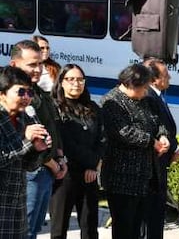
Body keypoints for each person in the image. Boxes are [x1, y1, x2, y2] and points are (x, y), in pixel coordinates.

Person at [100, 63, 170, 239]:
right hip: (121, 178)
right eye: (144, 87)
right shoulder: (112, 101)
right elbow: (124, 132)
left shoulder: (146, 100)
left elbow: (158, 121)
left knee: (138, 227)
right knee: (124, 228)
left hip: (144, 177)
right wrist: (151, 142)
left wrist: (162, 136)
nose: (147, 91)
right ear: (131, 84)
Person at [11, 39, 66, 239]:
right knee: (22, 231)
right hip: (29, 172)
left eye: (40, 63)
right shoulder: (13, 96)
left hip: (47, 171)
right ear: (14, 65)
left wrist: (60, 158)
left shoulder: (39, 92)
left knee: (34, 230)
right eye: (32, 64)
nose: (37, 69)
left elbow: (53, 126)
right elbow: (27, 139)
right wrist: (53, 165)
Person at [49, 64, 104, 239]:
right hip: (64, 175)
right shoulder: (54, 107)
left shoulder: (93, 107)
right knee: (59, 229)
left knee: (90, 227)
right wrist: (92, 161)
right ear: (61, 82)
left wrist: (94, 166)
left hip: (89, 175)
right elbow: (66, 142)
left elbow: (103, 139)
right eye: (70, 79)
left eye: (80, 79)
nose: (76, 83)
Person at [0, 65, 50, 239]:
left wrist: (37, 150)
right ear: (2, 94)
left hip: (17, 204)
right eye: (21, 92)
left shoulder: (25, 117)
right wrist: (26, 141)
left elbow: (28, 165)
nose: (26, 98)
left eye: (29, 93)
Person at [143, 59, 179, 239]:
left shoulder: (157, 95)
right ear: (154, 79)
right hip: (153, 165)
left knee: (157, 213)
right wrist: (174, 147)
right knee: (151, 214)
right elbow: (157, 127)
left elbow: (167, 128)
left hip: (161, 163)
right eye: (166, 75)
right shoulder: (149, 97)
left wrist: (176, 146)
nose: (169, 78)